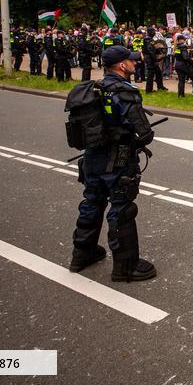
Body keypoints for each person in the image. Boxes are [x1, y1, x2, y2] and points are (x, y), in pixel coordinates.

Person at [69, 46, 156, 281]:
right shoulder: (124, 91)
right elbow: (144, 132)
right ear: (121, 65)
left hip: (92, 158)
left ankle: (81, 254)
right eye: (131, 61)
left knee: (92, 202)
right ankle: (125, 267)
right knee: (122, 208)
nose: (135, 64)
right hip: (118, 159)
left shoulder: (92, 88)